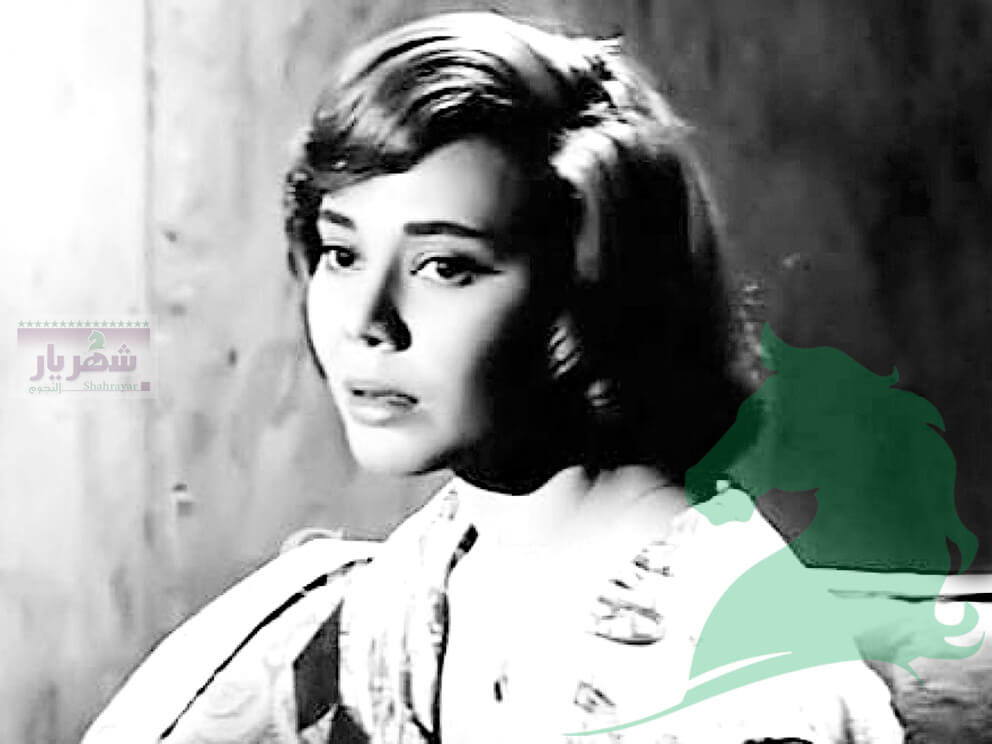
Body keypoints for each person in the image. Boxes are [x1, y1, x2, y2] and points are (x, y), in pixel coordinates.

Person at [84, 11, 904, 743]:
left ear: (588, 286)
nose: (366, 320)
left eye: (445, 266)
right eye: (342, 252)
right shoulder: (398, 596)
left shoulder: (737, 688)